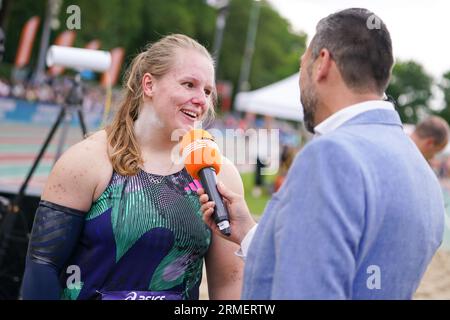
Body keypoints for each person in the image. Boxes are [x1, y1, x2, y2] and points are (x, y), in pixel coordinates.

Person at [198, 8, 445, 299]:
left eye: (302, 65)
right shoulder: (422, 173)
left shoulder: (331, 155)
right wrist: (252, 233)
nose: (301, 81)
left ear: (322, 63)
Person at [20, 34, 244, 300]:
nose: (201, 100)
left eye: (207, 91)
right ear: (148, 84)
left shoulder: (218, 174)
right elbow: (43, 266)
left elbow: (230, 284)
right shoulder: (89, 160)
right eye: (189, 85)